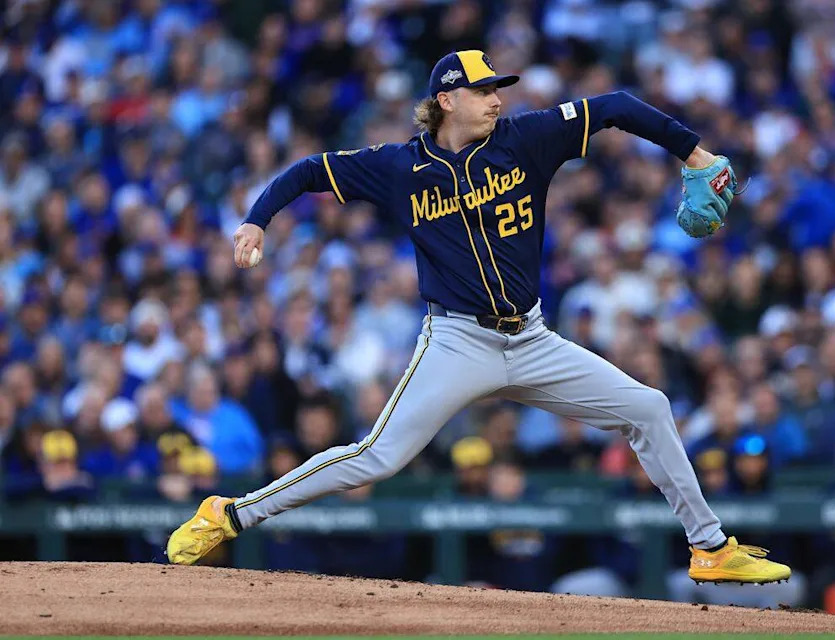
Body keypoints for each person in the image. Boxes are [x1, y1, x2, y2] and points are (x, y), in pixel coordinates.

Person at [167, 49, 790, 585]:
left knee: (649, 407)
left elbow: (619, 105)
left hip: (534, 338)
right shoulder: (398, 167)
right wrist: (255, 219)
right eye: (484, 88)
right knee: (376, 456)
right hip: (457, 342)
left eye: (498, 89)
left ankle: (710, 549)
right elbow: (308, 171)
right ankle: (229, 514)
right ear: (446, 99)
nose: (496, 99)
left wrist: (695, 154)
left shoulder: (528, 139)